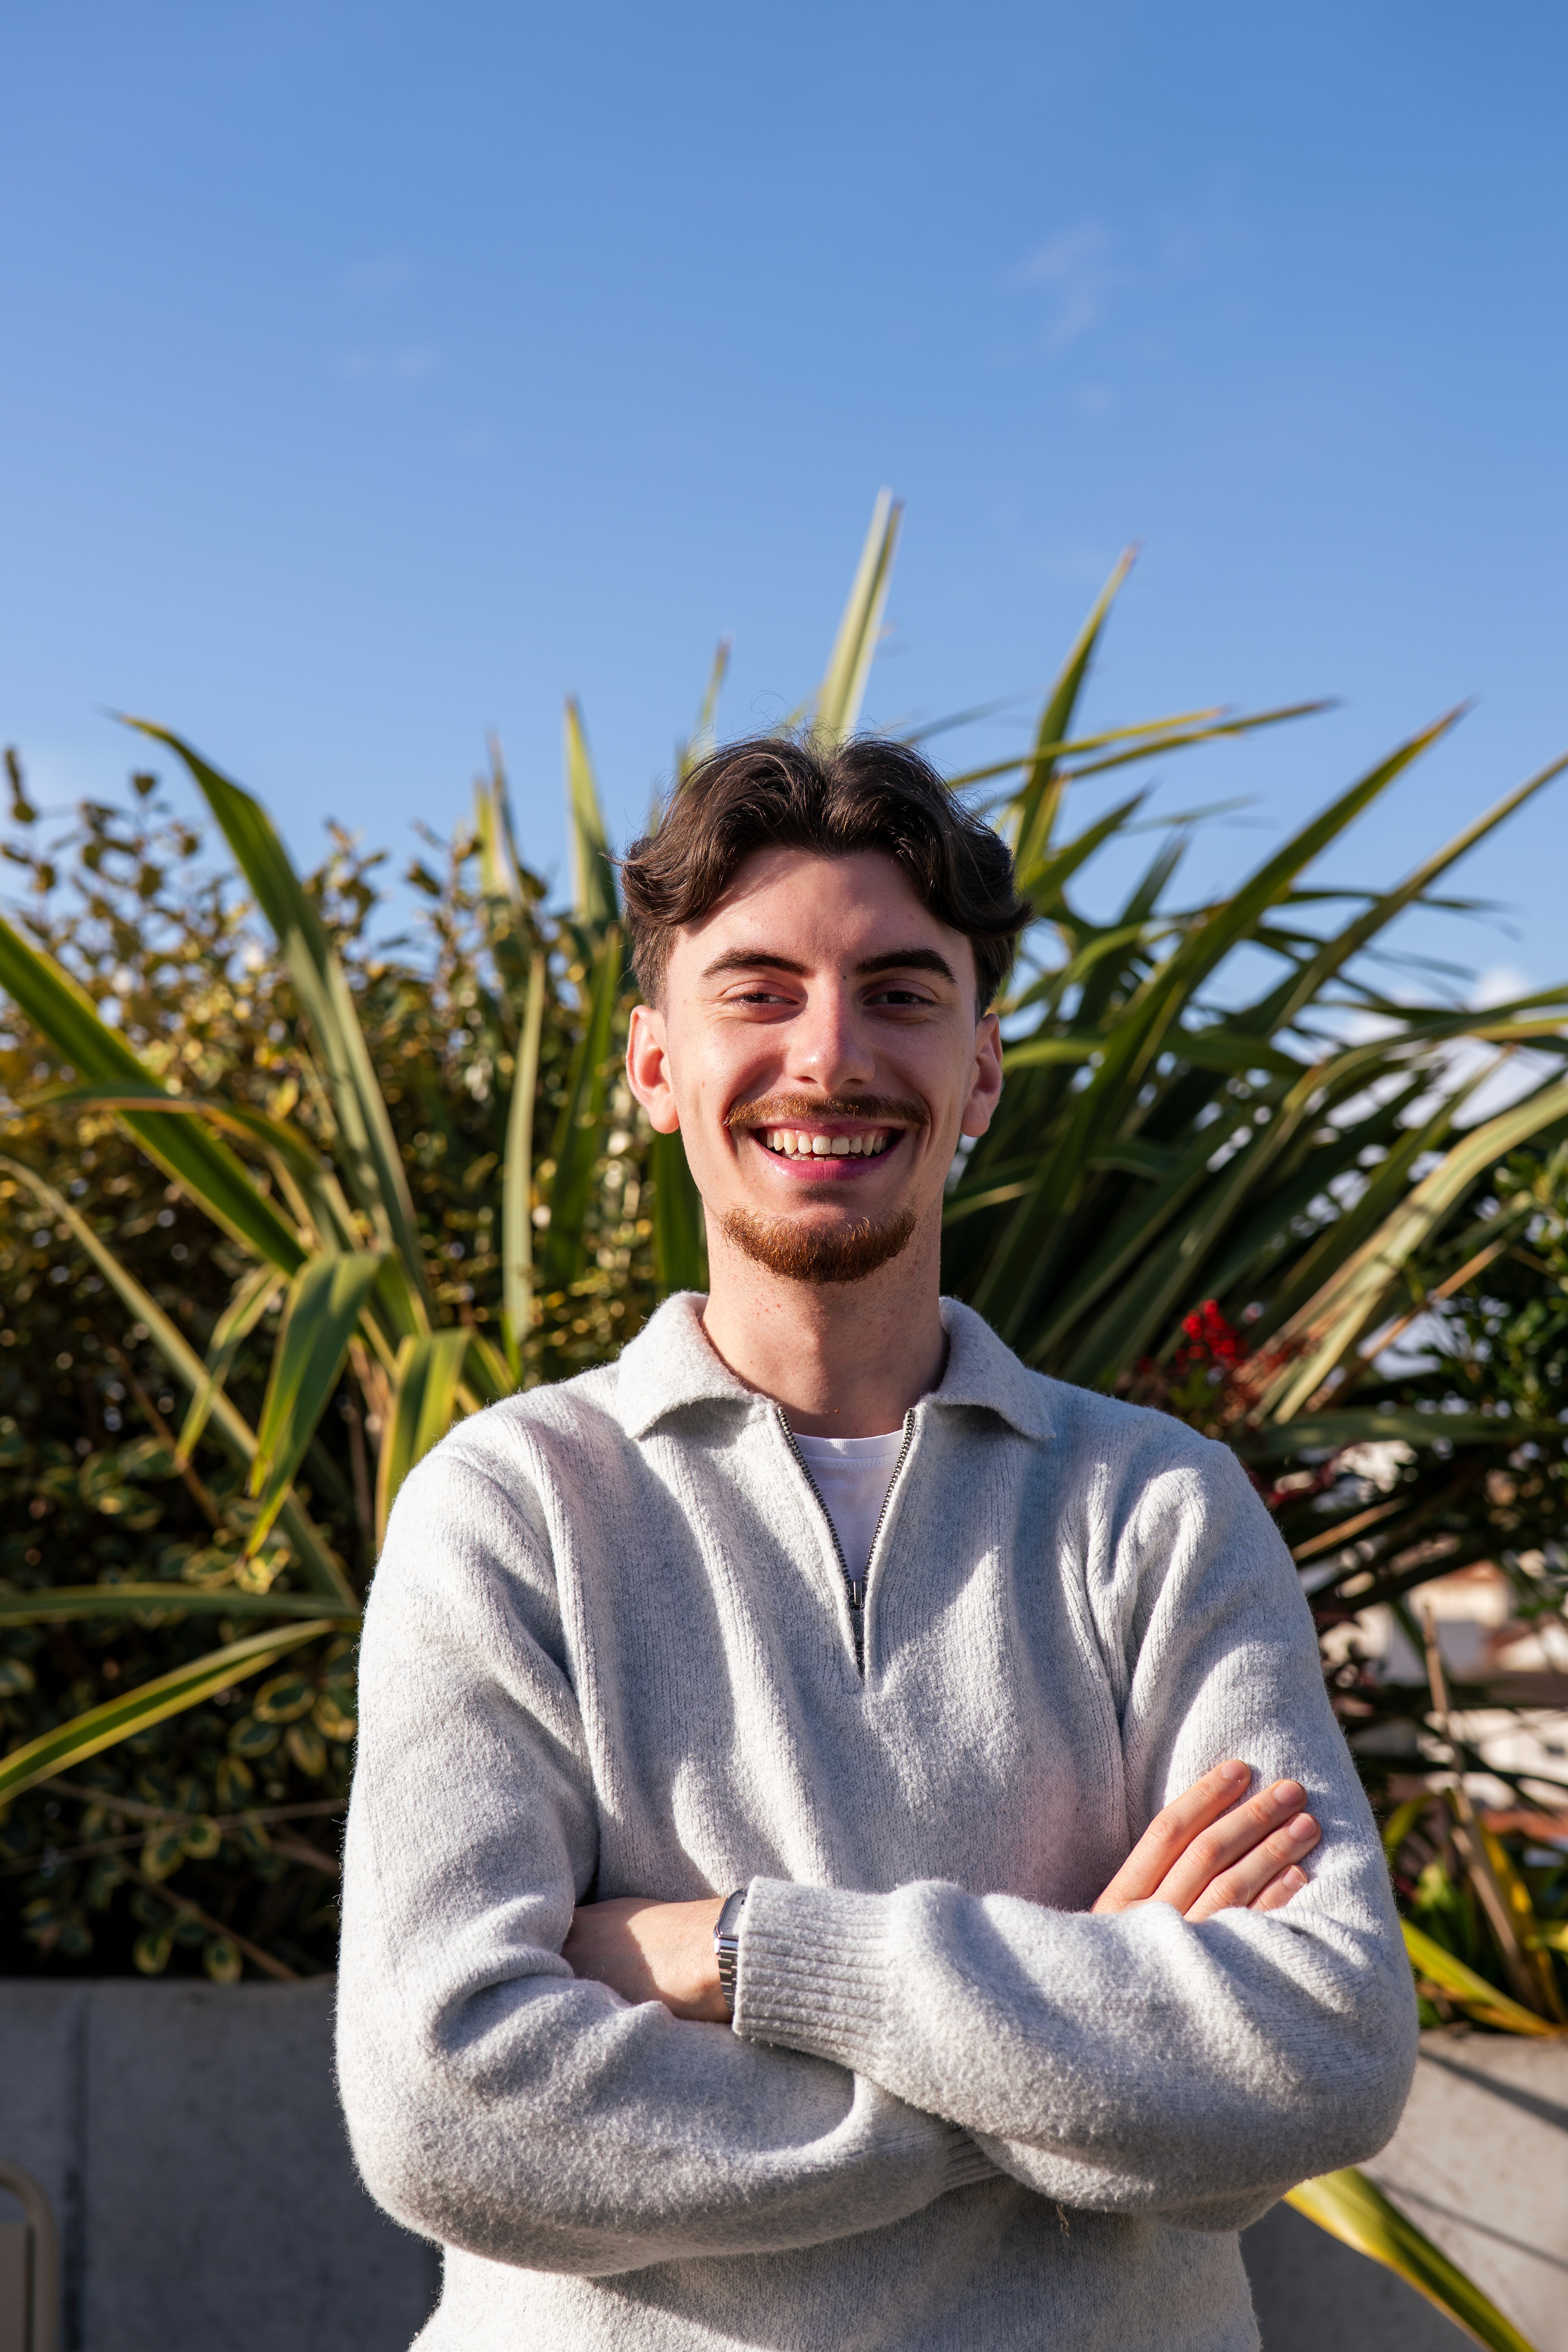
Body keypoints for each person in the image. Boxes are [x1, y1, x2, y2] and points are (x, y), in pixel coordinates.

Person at [337, 733, 1417, 2351]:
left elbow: (1322, 2049)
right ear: (652, 1066)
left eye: (901, 994)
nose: (829, 1055)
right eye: (757, 991)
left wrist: (754, 1957)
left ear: (980, 1070)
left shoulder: (1162, 1508)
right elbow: (448, 2110)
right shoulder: (510, 1507)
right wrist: (1084, 2049)